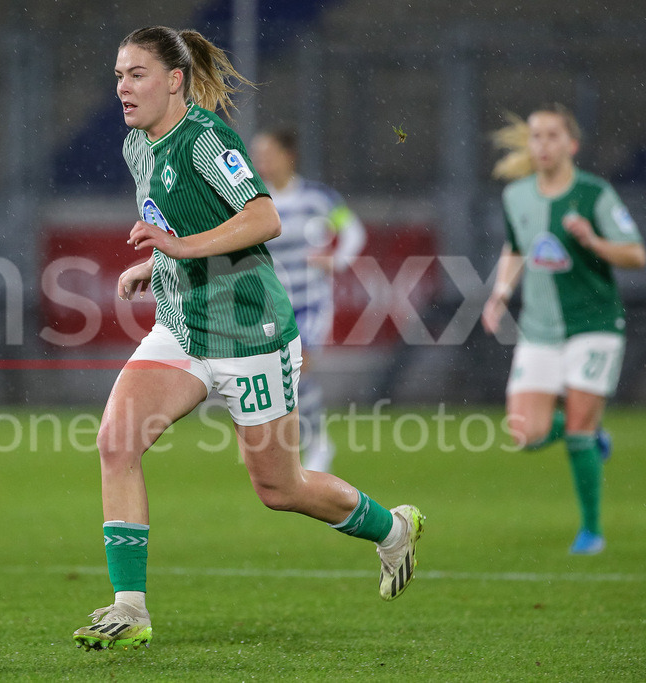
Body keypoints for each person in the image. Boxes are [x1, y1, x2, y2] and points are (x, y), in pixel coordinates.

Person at [72, 26, 425, 652]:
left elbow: (264, 216)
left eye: (136, 74)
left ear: (174, 80)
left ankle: (391, 526)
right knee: (116, 441)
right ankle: (131, 608)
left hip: (250, 334)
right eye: (118, 74)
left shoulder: (208, 138)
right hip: (181, 327)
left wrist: (178, 248)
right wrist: (155, 265)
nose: (122, 87)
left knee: (279, 488)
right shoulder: (138, 147)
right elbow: (170, 224)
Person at [482, 103, 645, 555]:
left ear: (572, 144)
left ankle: (591, 530)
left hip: (594, 324)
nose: (543, 144)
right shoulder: (517, 196)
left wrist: (593, 240)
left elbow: (636, 254)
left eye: (553, 136)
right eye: (536, 136)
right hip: (539, 328)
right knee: (524, 432)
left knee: (575, 429)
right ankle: (593, 435)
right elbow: (516, 247)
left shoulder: (594, 194)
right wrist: (499, 292)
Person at [250, 129, 367, 473]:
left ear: (289, 156)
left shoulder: (317, 198)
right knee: (282, 374)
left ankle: (316, 445)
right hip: (274, 305)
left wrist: (337, 259)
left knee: (300, 366)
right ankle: (308, 439)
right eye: (258, 156)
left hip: (311, 302)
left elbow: (354, 231)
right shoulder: (255, 202)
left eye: (268, 154)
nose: (262, 162)